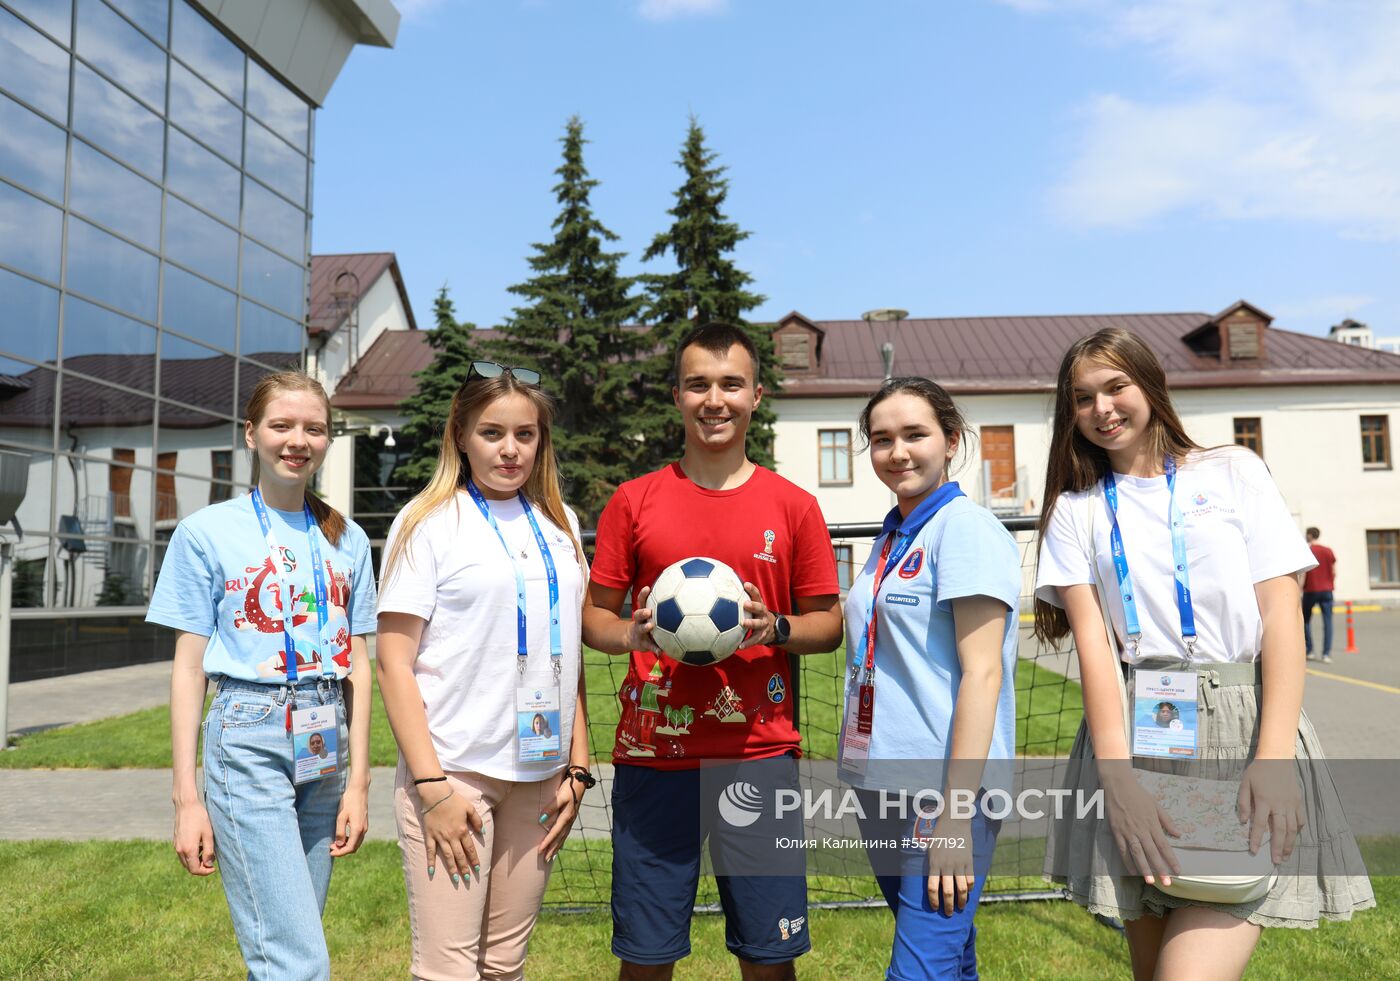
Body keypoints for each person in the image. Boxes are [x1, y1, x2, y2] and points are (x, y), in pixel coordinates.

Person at [1033, 328, 1374, 981]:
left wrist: (1272, 760)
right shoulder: (1075, 511)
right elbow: (1096, 652)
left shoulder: (1233, 470)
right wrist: (1120, 781)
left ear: (1149, 384)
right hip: (1136, 732)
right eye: (1082, 398)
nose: (1102, 407)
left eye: (1115, 386)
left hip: (1241, 727)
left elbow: (1281, 615)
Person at [582, 322, 843, 980]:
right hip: (653, 756)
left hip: (759, 758)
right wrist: (631, 635)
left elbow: (828, 623)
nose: (715, 399)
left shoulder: (794, 506)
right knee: (645, 958)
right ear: (677, 395)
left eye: (731, 383)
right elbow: (595, 617)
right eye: (698, 384)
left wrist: (774, 628)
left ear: (757, 394)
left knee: (769, 957)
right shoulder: (633, 501)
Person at [148, 370, 378, 981]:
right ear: (251, 435)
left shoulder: (347, 538)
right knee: (297, 960)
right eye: (282, 425)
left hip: (324, 742)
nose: (297, 439)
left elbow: (358, 658)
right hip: (247, 737)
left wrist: (357, 784)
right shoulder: (206, 532)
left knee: (281, 953)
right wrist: (186, 799)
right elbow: (188, 667)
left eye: (313, 427)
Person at [376, 363, 593, 979]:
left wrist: (577, 766)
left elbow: (566, 654)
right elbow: (393, 662)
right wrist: (432, 788)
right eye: (492, 432)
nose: (510, 449)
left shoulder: (562, 524)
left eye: (526, 435)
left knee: (505, 964)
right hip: (455, 775)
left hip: (541, 776)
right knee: (449, 970)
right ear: (461, 435)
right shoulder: (426, 523)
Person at [838, 377, 1021, 980]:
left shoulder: (964, 529)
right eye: (882, 439)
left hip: (940, 791)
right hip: (880, 780)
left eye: (915, 434)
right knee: (948, 956)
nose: (899, 452)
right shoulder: (893, 533)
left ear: (951, 440)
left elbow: (983, 672)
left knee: (919, 970)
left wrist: (954, 816)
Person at [1302, 527, 1337, 663]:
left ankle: (1310, 650)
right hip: (1327, 591)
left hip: (1311, 590)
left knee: (1305, 620)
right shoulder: (1328, 551)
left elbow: (1304, 573)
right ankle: (1326, 654)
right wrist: (1329, 583)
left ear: (1310, 535)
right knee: (1328, 622)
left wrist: (1299, 589)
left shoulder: (1308, 551)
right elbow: (1334, 571)